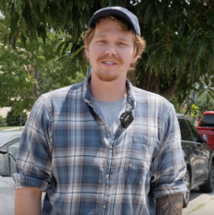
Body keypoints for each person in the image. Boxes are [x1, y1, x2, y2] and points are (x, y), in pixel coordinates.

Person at [13, 6, 186, 215]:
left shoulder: (161, 112)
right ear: (87, 48)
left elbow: (170, 190)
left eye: (121, 43)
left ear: (135, 53)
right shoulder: (49, 107)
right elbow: (28, 186)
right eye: (102, 41)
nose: (110, 51)